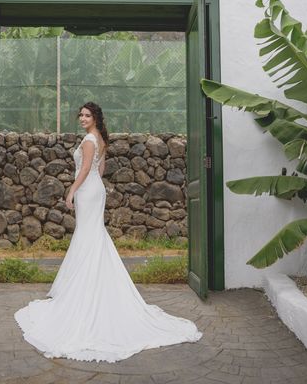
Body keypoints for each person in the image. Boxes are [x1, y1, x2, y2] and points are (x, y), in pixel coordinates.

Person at [14, 102, 202, 363]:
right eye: (80, 115)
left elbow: (84, 169)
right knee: (92, 236)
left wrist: (71, 190)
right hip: (95, 190)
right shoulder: (100, 139)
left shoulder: (90, 140)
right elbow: (99, 170)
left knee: (88, 236)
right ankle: (94, 285)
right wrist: (88, 182)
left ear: (95, 118)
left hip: (87, 192)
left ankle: (86, 292)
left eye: (86, 115)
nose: (82, 118)